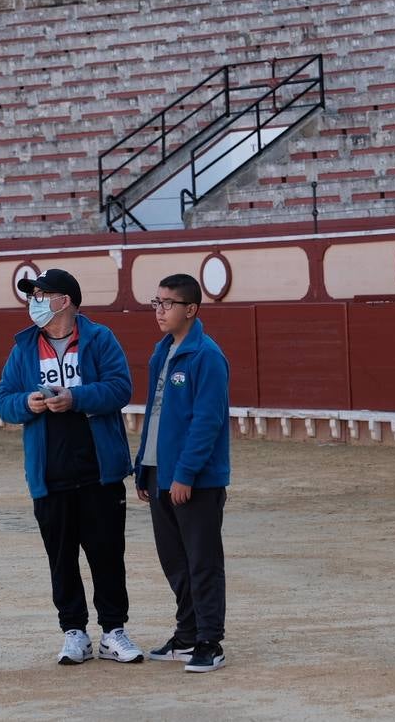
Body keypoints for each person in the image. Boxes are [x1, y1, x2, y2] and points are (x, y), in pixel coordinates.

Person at [0, 268, 145, 666]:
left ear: (64, 301)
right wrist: (27, 403)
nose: (34, 302)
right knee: (61, 557)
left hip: (98, 468)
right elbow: (3, 400)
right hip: (51, 471)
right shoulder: (24, 347)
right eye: (33, 295)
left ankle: (113, 630)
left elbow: (120, 388)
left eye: (41, 295)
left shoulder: (99, 338)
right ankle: (73, 631)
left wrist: (75, 398)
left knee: (108, 553)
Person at [134, 273, 231, 673]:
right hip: (161, 472)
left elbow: (206, 422)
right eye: (155, 302)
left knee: (202, 560)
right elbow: (155, 415)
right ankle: (187, 633)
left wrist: (186, 474)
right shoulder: (162, 352)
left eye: (167, 303)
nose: (159, 311)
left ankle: (210, 641)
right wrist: (143, 465)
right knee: (174, 559)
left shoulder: (207, 355)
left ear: (190, 309)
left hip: (195, 480)